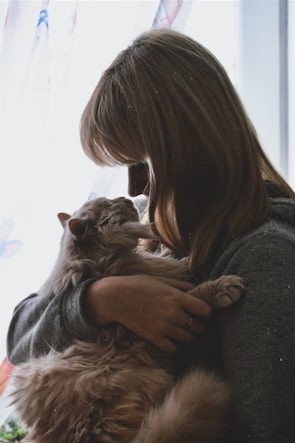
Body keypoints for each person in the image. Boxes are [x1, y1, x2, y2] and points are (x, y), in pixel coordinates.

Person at [7, 28, 295, 442]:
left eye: (142, 163)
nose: (133, 188)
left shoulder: (264, 255)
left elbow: (264, 428)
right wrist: (99, 300)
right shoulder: (150, 220)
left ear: (193, 149)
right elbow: (19, 339)